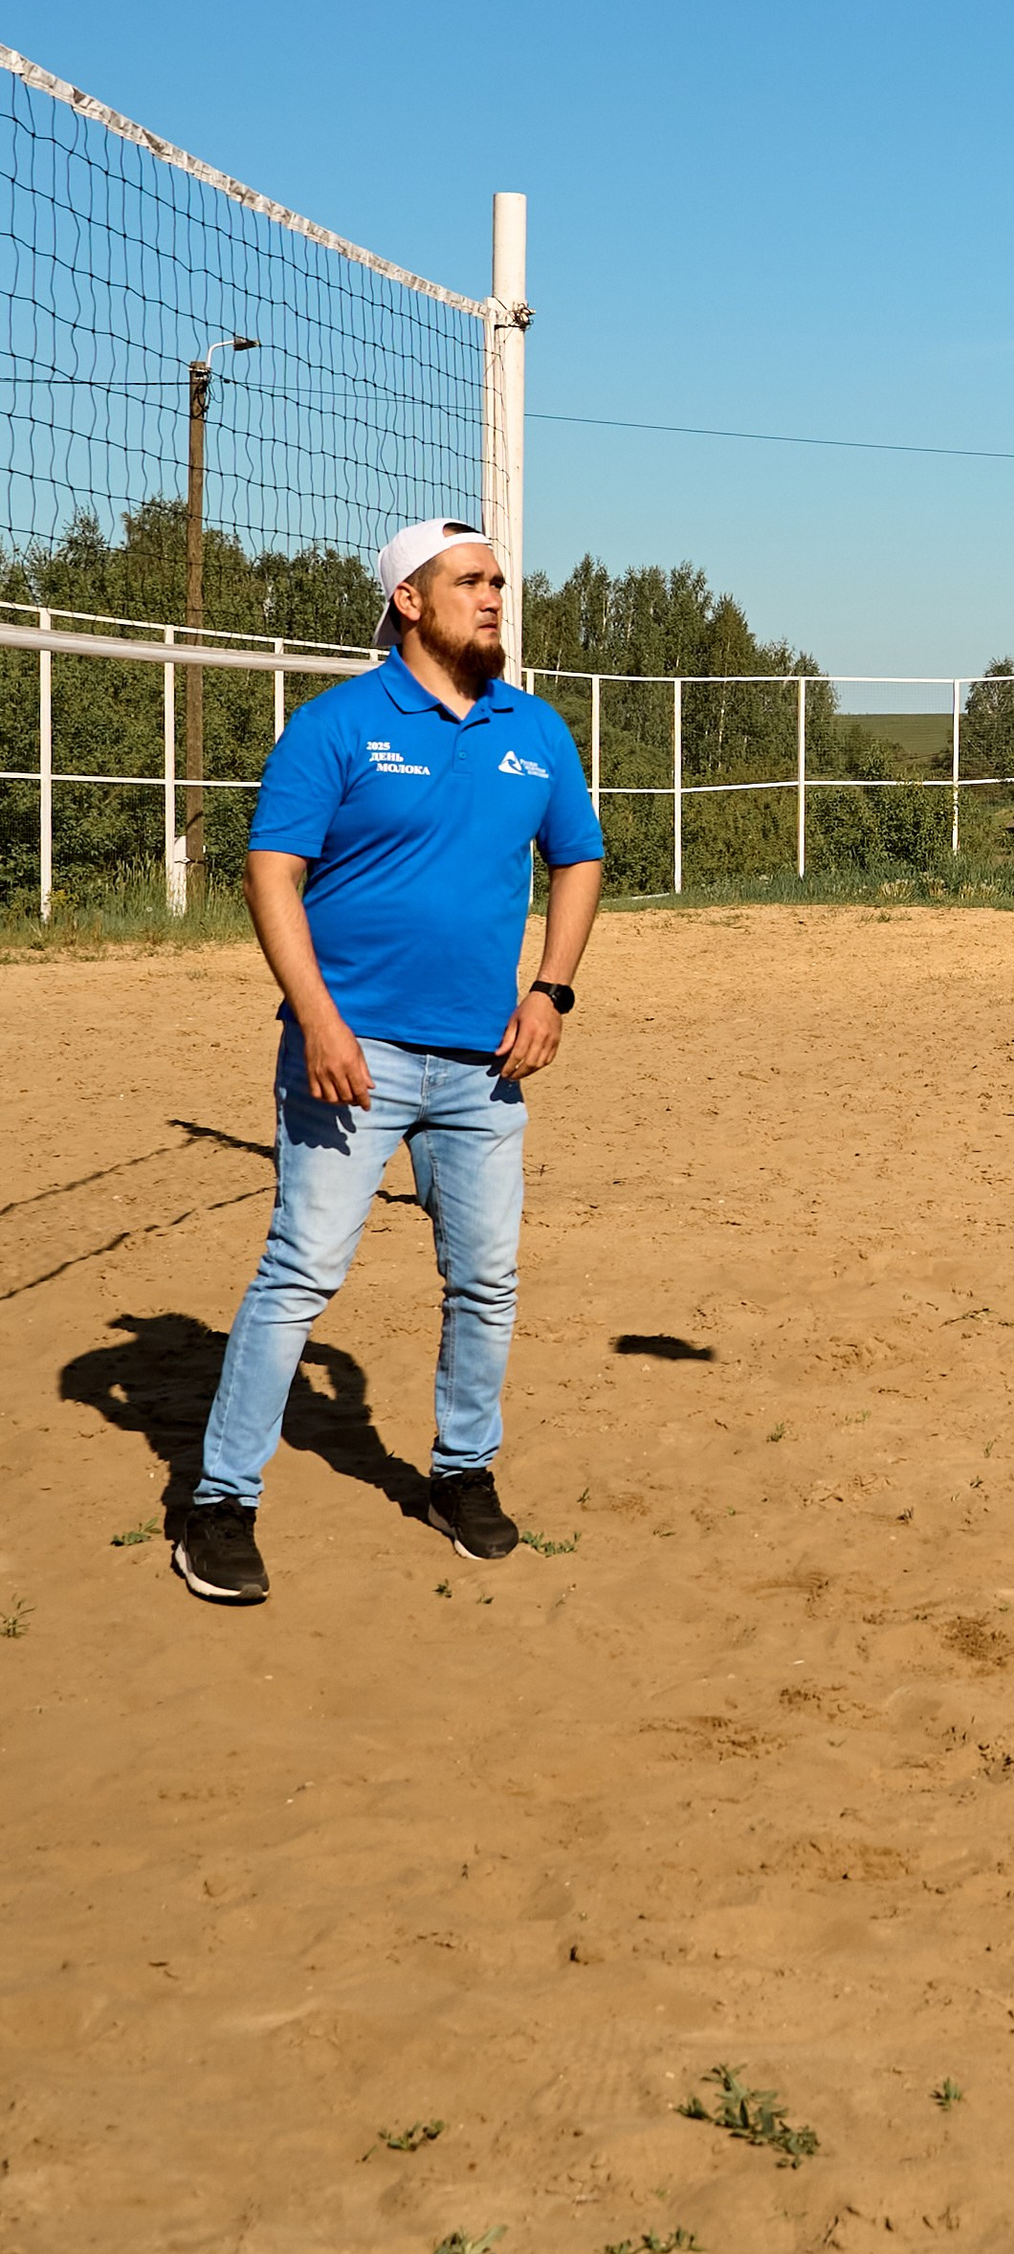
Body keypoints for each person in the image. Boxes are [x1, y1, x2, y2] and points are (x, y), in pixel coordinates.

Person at [172, 520, 606, 1608]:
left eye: (501, 580)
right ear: (409, 600)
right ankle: (220, 1504)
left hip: (484, 1066)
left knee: (487, 1279)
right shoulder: (340, 726)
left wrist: (549, 988)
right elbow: (271, 874)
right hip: (349, 1055)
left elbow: (580, 860)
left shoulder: (536, 730)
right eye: (471, 582)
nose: (495, 597)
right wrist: (316, 1018)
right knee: (301, 1273)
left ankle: (462, 1475)